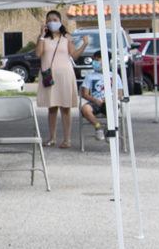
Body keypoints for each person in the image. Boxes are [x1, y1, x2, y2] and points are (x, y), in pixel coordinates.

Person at [35, 10, 88, 148]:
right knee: (52, 108)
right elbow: (38, 53)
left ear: (60, 21)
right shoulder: (43, 38)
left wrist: (84, 44)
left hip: (65, 75)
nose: (52, 22)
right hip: (49, 75)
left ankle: (67, 139)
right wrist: (41, 35)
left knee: (65, 108)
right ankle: (52, 138)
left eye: (55, 19)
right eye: (49, 20)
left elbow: (74, 55)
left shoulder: (67, 37)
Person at [80, 50, 123, 141]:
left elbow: (120, 93)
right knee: (85, 109)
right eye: (94, 60)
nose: (95, 62)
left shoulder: (114, 76)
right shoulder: (90, 76)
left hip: (110, 102)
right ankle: (98, 127)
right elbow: (84, 94)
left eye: (97, 60)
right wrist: (95, 100)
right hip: (95, 102)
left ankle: (109, 129)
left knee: (114, 107)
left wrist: (110, 99)